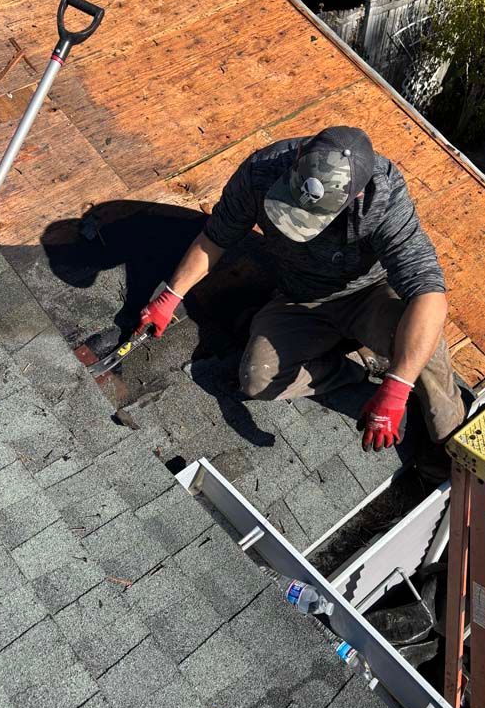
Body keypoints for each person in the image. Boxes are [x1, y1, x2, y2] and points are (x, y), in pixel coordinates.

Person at [136, 125, 465, 470]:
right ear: (298, 158)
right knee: (256, 379)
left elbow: (430, 294)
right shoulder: (261, 172)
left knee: (423, 342)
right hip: (300, 298)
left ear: (354, 196)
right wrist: (170, 296)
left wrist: (396, 390)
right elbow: (215, 238)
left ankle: (453, 449)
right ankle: (355, 368)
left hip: (368, 296)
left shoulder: (384, 199)